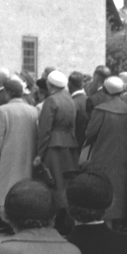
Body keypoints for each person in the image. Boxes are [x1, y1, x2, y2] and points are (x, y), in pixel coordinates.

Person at [82, 75, 127, 224]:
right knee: (121, 189)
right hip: (124, 156)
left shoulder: (100, 110)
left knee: (105, 189)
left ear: (105, 91)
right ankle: (119, 225)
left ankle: (107, 224)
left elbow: (89, 133)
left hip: (103, 156)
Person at [0, 75, 39, 229]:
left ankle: (9, 222)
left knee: (7, 191)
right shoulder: (33, 110)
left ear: (7, 93)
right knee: (25, 189)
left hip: (8, 158)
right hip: (28, 156)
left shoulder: (2, 110)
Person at [36, 70, 79, 219]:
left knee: (54, 182)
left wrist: (39, 154)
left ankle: (57, 218)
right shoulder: (70, 99)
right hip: (70, 144)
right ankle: (67, 218)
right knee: (66, 183)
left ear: (50, 85)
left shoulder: (51, 101)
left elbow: (45, 129)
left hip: (54, 146)